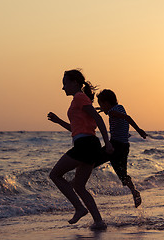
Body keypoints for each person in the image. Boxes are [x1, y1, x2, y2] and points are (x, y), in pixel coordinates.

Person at [47, 69, 114, 230]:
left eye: (65, 83)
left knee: (55, 174)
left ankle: (79, 208)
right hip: (88, 145)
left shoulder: (79, 97)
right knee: (79, 186)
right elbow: (75, 128)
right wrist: (58, 122)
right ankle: (99, 221)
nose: (63, 88)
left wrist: (108, 142)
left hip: (86, 145)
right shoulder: (77, 100)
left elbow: (98, 118)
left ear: (74, 82)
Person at [94, 89, 147, 208]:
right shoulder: (119, 107)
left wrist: (139, 130)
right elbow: (120, 114)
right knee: (123, 175)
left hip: (115, 145)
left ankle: (76, 182)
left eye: (102, 104)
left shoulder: (113, 112)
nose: (102, 107)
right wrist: (101, 109)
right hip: (124, 146)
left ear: (107, 103)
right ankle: (134, 191)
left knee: (92, 161)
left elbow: (127, 118)